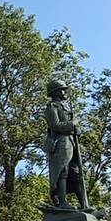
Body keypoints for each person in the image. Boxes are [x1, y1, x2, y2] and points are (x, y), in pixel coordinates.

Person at [45, 79, 88, 209]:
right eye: (63, 89)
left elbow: (72, 127)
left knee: (76, 173)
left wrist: (77, 130)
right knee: (62, 172)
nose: (65, 92)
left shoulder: (65, 107)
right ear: (56, 92)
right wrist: (72, 124)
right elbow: (55, 125)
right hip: (61, 143)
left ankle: (84, 205)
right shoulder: (52, 108)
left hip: (71, 142)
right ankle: (62, 202)